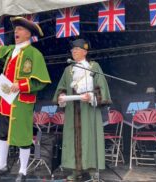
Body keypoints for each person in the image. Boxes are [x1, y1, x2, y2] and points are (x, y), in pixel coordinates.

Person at [0, 16, 51, 181]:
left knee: (23, 138)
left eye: (20, 29)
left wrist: (22, 85)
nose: (16, 31)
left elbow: (42, 81)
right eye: (15, 29)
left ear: (28, 34)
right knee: (2, 134)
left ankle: (22, 171)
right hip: (5, 101)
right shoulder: (11, 50)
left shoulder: (34, 54)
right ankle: (2, 166)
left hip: (21, 104)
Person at [53, 39, 111, 181]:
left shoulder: (93, 66)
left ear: (85, 52)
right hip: (72, 110)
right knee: (72, 139)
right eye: (72, 50)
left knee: (90, 138)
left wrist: (92, 96)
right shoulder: (68, 70)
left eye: (77, 50)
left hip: (89, 110)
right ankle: (75, 170)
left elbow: (101, 86)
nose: (74, 52)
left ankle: (92, 171)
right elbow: (61, 87)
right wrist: (61, 96)